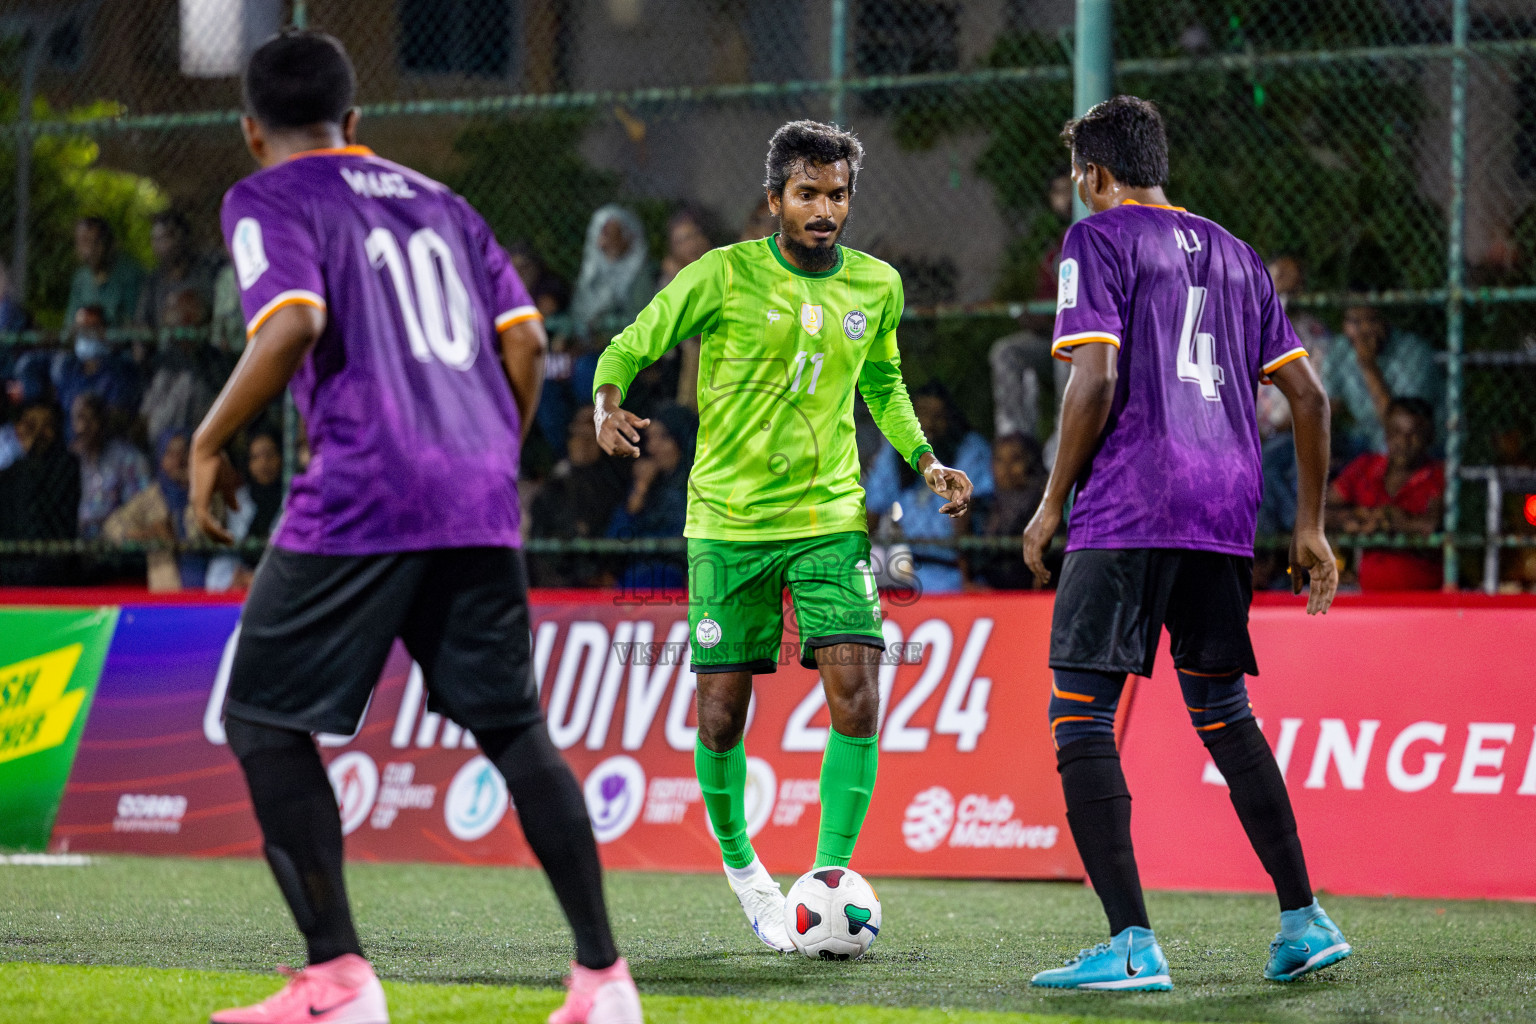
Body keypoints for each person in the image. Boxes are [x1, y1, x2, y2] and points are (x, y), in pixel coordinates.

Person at [187, 31, 642, 1024]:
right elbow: (525, 339)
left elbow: (294, 321)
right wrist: (487, 449)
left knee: (263, 718)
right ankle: (603, 981)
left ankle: (337, 981)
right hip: (475, 495)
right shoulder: (443, 202)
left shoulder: (268, 193)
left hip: (363, 486)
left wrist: (209, 439)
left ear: (251, 131)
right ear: (355, 122)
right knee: (517, 728)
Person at [593, 119, 973, 952]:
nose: (825, 208)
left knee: (857, 692)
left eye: (837, 194)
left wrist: (924, 458)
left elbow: (884, 381)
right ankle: (749, 878)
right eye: (808, 193)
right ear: (775, 200)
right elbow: (632, 341)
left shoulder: (877, 286)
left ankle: (828, 883)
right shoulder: (721, 275)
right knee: (722, 716)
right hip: (727, 527)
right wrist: (608, 402)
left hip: (830, 520)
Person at [1019, 96, 1347, 991]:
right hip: (1226, 513)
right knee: (1224, 711)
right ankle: (1303, 918)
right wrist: (1309, 526)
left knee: (1078, 714)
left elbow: (1098, 377)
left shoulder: (1099, 239)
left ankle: (1130, 943)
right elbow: (1311, 399)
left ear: (1095, 175)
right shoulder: (1241, 255)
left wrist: (1051, 504)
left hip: (1130, 502)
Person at [862, 381, 994, 594]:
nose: (929, 423)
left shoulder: (970, 449)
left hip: (968, 576)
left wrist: (967, 578)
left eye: (938, 416)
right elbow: (872, 511)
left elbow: (963, 517)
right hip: (917, 573)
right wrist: (850, 564)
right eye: (922, 414)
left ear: (951, 419)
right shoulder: (897, 452)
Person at [1328, 397, 1445, 591]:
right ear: (1386, 434)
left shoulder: (1439, 476)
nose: (1403, 442)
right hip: (1370, 599)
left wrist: (1389, 519)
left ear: (1429, 437)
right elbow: (1319, 511)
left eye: (1413, 434)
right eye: (1396, 433)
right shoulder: (1365, 467)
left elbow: (1432, 525)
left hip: (1425, 600)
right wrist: (1357, 518)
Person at [528, 404, 629, 587]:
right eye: (577, 434)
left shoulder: (617, 482)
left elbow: (621, 532)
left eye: (589, 434)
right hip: (559, 577)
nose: (581, 441)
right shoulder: (554, 485)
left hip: (603, 575)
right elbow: (541, 536)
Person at [1323, 303, 1442, 457]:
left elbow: (1399, 425)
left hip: (1412, 441)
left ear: (1385, 321)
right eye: (1354, 322)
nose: (1363, 330)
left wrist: (1368, 366)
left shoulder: (1414, 353)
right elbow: (1327, 406)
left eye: (1371, 320)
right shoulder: (1340, 349)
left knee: (1391, 446)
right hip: (1363, 437)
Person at [606, 403, 694, 591]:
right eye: (650, 438)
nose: (652, 447)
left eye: (662, 437)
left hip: (679, 580)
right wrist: (639, 491)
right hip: (636, 578)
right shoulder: (647, 485)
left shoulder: (700, 484)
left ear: (682, 438)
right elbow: (614, 540)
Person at [0, 401, 80, 585]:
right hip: (12, 563)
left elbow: (42, 519)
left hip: (52, 567)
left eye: (44, 426)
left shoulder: (67, 466)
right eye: (29, 425)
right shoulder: (10, 471)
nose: (35, 431)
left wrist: (32, 442)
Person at [139, 289, 222, 442]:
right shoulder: (163, 360)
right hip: (163, 445)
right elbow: (146, 416)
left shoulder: (214, 360)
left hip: (202, 438)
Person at [71, 392, 151, 540]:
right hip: (77, 548)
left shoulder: (129, 458)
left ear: (102, 421)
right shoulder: (72, 461)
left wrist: (103, 522)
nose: (83, 427)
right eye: (79, 418)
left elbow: (140, 508)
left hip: (118, 547)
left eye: (91, 419)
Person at [971, 433, 1047, 590]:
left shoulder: (1044, 504)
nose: (1007, 468)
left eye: (1016, 459)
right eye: (999, 460)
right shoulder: (982, 506)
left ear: (1030, 462)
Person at [52, 305, 141, 436]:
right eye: (81, 328)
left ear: (104, 330)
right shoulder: (69, 369)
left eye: (92, 328)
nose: (86, 333)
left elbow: (117, 415)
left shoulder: (119, 370)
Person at [136, 209, 219, 331]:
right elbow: (141, 324)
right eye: (155, 240)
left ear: (183, 238)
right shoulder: (154, 282)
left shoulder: (208, 272)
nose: (159, 246)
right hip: (164, 349)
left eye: (165, 238)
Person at [65, 217, 144, 327]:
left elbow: (137, 323)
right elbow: (70, 324)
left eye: (92, 242)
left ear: (106, 243)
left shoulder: (130, 274)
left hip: (120, 342)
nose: (87, 250)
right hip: (86, 341)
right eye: (81, 243)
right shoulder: (81, 278)